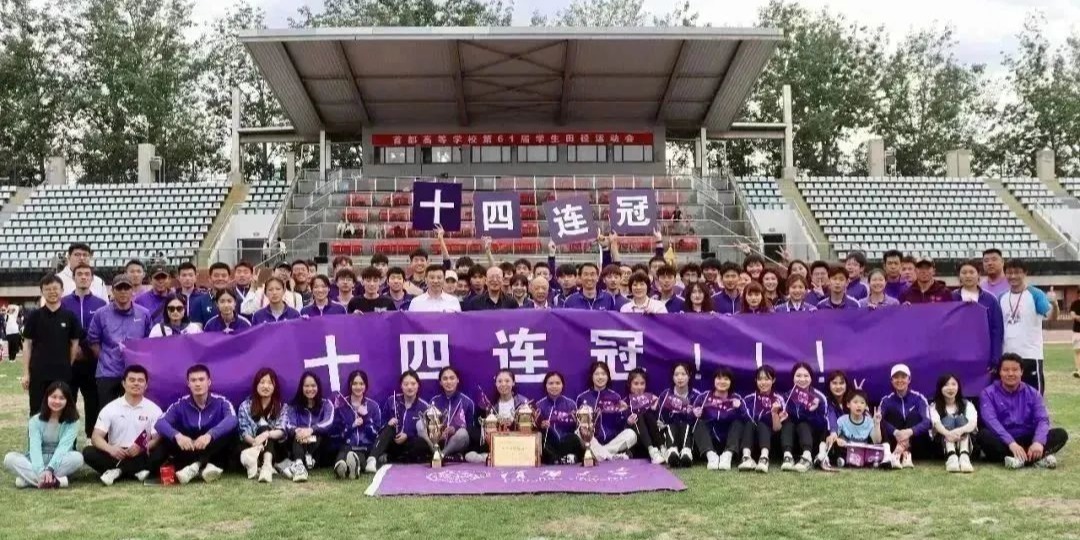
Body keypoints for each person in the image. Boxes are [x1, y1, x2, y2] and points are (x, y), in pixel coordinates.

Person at [979, 353, 1068, 469]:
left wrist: (1038, 442)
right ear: (1000, 372)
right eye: (1006, 370)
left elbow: (1042, 419)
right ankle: (1035, 459)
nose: (1010, 373)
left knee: (1061, 434)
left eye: (1015, 370)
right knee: (983, 436)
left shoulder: (1033, 393)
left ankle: (1017, 459)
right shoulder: (988, 393)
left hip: (1028, 438)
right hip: (1004, 441)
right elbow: (990, 420)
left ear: (1021, 372)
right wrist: (1011, 443)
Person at [152, 364, 237, 484]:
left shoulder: (221, 401)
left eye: (201, 379)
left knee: (229, 433)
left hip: (214, 447)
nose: (197, 384)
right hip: (190, 447)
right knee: (167, 438)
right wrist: (178, 436)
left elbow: (232, 419)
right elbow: (160, 423)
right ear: (188, 384)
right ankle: (206, 467)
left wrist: (210, 435)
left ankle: (197, 466)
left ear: (209, 382)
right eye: (193, 380)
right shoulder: (180, 404)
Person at [83, 365, 163, 485]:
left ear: (146, 385)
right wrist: (110, 449)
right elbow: (96, 437)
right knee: (88, 452)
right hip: (116, 454)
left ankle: (118, 471)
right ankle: (136, 471)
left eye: (140, 380)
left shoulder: (154, 409)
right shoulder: (110, 408)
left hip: (141, 453)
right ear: (124, 384)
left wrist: (143, 446)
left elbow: (157, 439)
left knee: (162, 449)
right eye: (132, 380)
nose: (136, 383)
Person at [21, 274, 82, 415]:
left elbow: (74, 344)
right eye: (47, 289)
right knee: (37, 412)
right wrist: (26, 373)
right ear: (42, 291)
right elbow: (27, 344)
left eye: (55, 288)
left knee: (62, 412)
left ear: (62, 290)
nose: (52, 292)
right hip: (38, 373)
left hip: (62, 373)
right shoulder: (34, 316)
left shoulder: (70, 316)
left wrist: (67, 364)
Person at [4, 382, 83, 488]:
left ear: (67, 401)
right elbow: (35, 448)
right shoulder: (35, 421)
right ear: (47, 398)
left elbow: (63, 448)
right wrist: (41, 471)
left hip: (60, 460)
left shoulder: (73, 422)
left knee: (78, 458)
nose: (57, 401)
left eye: (61, 398)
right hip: (37, 459)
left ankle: (28, 480)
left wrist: (50, 469)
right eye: (53, 397)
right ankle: (57, 481)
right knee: (9, 458)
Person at [87, 275, 151, 405]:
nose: (123, 291)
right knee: (107, 411)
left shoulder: (144, 314)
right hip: (107, 373)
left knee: (134, 409)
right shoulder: (101, 314)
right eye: (119, 288)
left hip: (135, 372)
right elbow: (93, 340)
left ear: (132, 290)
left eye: (126, 288)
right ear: (112, 291)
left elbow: (148, 341)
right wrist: (105, 358)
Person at [60, 263, 107, 436]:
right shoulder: (63, 303)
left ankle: (91, 437)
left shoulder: (101, 304)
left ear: (92, 278)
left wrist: (88, 349)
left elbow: (103, 331)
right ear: (73, 278)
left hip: (92, 362)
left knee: (93, 401)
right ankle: (68, 439)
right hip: (70, 361)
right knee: (68, 400)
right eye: (79, 274)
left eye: (87, 274)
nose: (83, 277)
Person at [999, 259, 1058, 394]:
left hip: (1030, 355)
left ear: (1025, 273)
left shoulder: (1035, 294)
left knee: (1034, 397)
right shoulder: (1001, 297)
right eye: (1009, 272)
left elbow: (1051, 317)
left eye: (1017, 272)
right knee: (1009, 397)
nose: (1013, 276)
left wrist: (1055, 305)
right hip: (1007, 356)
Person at [575, 362, 638, 462]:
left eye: (603, 374)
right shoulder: (582, 397)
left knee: (631, 434)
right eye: (597, 374)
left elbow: (620, 424)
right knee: (579, 432)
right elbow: (579, 423)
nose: (600, 377)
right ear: (591, 376)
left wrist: (625, 416)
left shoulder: (615, 397)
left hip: (612, 441)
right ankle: (611, 456)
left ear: (608, 376)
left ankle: (601, 454)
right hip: (592, 440)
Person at [466, 369, 531, 464]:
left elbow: (528, 427)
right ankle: (499, 457)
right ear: (495, 384)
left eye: (507, 381)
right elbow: (482, 426)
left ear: (513, 383)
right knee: (469, 454)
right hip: (496, 441)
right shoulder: (489, 403)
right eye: (500, 381)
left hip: (516, 441)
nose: (503, 384)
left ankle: (498, 457)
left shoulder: (523, 402)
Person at [237, 368, 290, 483]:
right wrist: (255, 443)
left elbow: (282, 431)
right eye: (262, 382)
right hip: (253, 446)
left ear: (275, 387)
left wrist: (266, 434)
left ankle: (266, 465)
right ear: (256, 385)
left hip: (275, 449)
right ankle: (264, 466)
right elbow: (244, 432)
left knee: (265, 430)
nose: (266, 386)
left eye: (270, 383)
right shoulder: (245, 406)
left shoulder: (282, 407)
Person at [952, 259, 1005, 372]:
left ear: (978, 275)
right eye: (964, 272)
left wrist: (995, 359)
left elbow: (997, 331)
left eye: (971, 272)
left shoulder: (990, 300)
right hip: (956, 355)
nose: (968, 276)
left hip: (982, 355)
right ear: (959, 276)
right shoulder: (951, 298)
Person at [332, 370, 384, 479]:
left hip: (366, 447)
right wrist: (352, 426)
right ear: (350, 385)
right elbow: (337, 434)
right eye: (355, 383)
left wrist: (366, 418)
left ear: (365, 386)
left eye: (361, 384)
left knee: (359, 456)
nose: (358, 387)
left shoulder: (373, 406)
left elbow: (376, 434)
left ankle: (353, 467)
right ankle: (342, 467)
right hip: (347, 446)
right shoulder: (342, 405)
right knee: (344, 452)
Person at [285, 371, 335, 482]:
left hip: (319, 446)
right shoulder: (293, 406)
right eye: (306, 386)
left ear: (318, 387)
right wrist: (298, 431)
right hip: (298, 442)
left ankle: (299, 464)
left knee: (319, 434)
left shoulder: (326, 404)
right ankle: (299, 465)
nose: (310, 389)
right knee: (297, 436)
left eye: (313, 386)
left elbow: (328, 422)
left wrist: (311, 430)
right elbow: (289, 424)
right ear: (301, 388)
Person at [779, 362, 830, 472]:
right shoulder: (786, 397)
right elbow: (780, 424)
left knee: (803, 424)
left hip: (811, 440)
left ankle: (807, 457)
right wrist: (782, 418)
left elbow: (824, 425)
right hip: (792, 440)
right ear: (793, 378)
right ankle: (787, 456)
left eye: (806, 376)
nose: (802, 379)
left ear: (811, 378)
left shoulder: (819, 398)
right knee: (788, 424)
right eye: (798, 376)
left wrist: (812, 411)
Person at [878, 364, 931, 468]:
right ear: (891, 381)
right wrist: (896, 432)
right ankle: (900, 455)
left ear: (909, 379)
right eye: (896, 377)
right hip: (894, 440)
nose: (900, 380)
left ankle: (902, 453)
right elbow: (879, 420)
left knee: (914, 416)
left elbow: (927, 422)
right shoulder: (886, 400)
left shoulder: (919, 398)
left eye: (903, 377)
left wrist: (910, 432)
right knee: (893, 414)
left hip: (916, 444)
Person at [693, 367, 744, 471]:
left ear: (731, 382)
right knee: (698, 423)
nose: (722, 381)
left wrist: (739, 408)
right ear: (714, 380)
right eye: (719, 378)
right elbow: (690, 415)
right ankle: (711, 457)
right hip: (709, 442)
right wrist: (695, 413)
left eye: (726, 379)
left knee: (738, 423)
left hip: (729, 443)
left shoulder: (736, 398)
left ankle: (727, 456)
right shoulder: (703, 397)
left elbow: (747, 418)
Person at [827, 390, 893, 469]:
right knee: (837, 447)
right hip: (847, 450)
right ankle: (842, 459)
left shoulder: (869, 421)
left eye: (862, 403)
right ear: (848, 404)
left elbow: (876, 441)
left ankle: (875, 460)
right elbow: (833, 437)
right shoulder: (842, 420)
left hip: (863, 451)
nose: (859, 405)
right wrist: (837, 439)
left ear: (866, 406)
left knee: (875, 450)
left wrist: (877, 423)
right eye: (855, 402)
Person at [421, 367, 475, 461]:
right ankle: (435, 452)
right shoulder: (434, 401)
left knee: (462, 433)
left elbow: (471, 430)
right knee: (419, 424)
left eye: (452, 378)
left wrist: (455, 429)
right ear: (440, 382)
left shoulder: (467, 402)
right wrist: (438, 433)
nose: (448, 382)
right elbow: (428, 426)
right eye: (445, 379)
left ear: (457, 380)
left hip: (457, 442)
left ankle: (441, 455)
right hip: (438, 441)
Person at [738, 365, 784, 473]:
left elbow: (777, 428)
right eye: (760, 379)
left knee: (762, 424)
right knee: (750, 423)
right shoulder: (748, 399)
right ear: (756, 380)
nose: (763, 383)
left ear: (773, 380)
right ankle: (746, 457)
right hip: (751, 439)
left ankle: (764, 458)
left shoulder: (779, 399)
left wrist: (774, 413)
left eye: (767, 379)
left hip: (770, 440)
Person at [379, 371, 432, 464]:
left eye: (413, 384)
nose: (409, 387)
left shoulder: (424, 407)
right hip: (393, 441)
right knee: (384, 438)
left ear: (418, 385)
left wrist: (408, 435)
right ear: (401, 386)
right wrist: (388, 423)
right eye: (406, 384)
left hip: (410, 443)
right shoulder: (392, 401)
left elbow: (426, 433)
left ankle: (396, 458)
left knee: (421, 444)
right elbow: (381, 424)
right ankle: (399, 457)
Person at [657, 362, 703, 468]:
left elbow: (698, 422)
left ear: (689, 376)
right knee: (670, 426)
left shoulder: (696, 396)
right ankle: (672, 452)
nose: (680, 378)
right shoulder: (665, 395)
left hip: (689, 433)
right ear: (672, 377)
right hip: (670, 431)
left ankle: (687, 453)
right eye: (676, 374)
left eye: (683, 374)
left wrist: (693, 414)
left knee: (686, 425)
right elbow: (661, 419)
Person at [930, 374, 977, 473]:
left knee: (961, 419)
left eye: (953, 384)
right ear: (940, 388)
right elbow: (937, 424)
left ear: (958, 387)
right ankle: (951, 456)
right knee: (948, 420)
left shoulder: (967, 404)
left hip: (964, 441)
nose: (950, 388)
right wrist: (948, 434)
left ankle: (964, 456)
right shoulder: (934, 406)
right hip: (942, 445)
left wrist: (958, 431)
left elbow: (972, 424)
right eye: (946, 385)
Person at [535, 372, 583, 464]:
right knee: (541, 440)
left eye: (557, 383)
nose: (554, 386)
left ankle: (558, 459)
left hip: (567, 441)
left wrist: (577, 422)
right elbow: (535, 428)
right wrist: (541, 426)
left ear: (562, 385)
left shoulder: (571, 404)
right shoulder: (539, 405)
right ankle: (559, 459)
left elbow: (578, 428)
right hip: (550, 443)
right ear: (545, 385)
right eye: (551, 383)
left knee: (574, 438)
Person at [1072, 295, 1080, 379]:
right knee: (1077, 351)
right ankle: (1078, 370)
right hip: (1077, 332)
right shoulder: (1075, 304)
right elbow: (1073, 316)